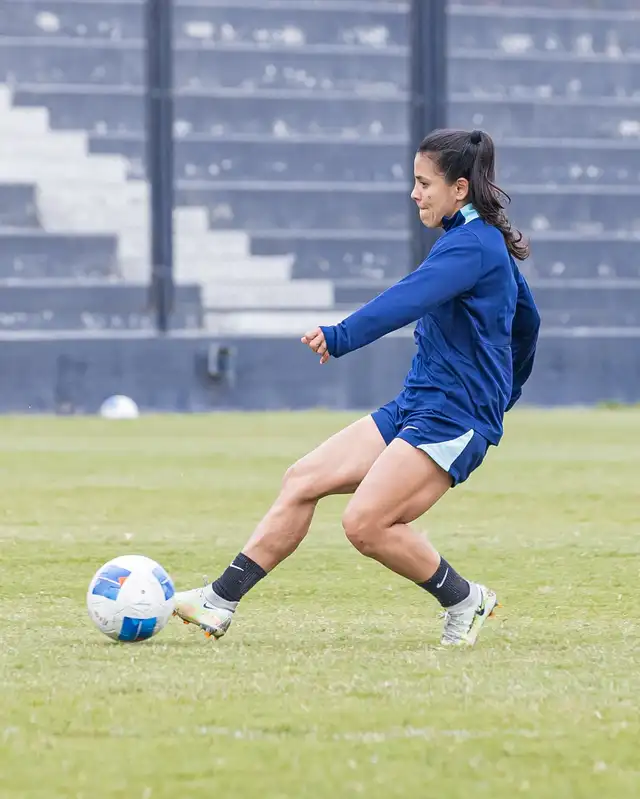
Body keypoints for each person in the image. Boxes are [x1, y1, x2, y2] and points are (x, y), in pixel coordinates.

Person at [174, 128, 541, 647]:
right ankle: (218, 601)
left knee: (366, 524)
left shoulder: (473, 246)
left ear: (459, 188)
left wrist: (340, 335)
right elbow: (529, 324)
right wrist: (509, 389)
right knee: (303, 478)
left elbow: (408, 298)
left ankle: (465, 599)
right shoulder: (476, 242)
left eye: (424, 183)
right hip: (419, 403)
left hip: (454, 418)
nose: (415, 193)